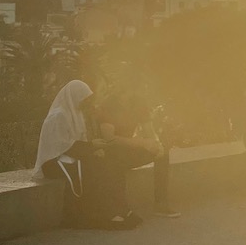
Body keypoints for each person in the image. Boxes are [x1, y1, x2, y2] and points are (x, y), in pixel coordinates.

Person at [34, 80, 156, 229]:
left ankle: (121, 209)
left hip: (69, 158)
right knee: (97, 169)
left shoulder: (75, 113)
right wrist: (92, 146)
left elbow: (77, 142)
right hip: (52, 162)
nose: (86, 103)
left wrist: (94, 148)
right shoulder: (58, 116)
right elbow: (61, 146)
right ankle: (106, 213)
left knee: (110, 163)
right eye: (84, 99)